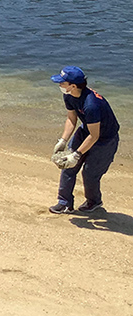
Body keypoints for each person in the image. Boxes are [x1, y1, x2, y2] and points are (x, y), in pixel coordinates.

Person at [48, 66, 120, 214]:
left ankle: (94, 201)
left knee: (89, 173)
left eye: (62, 82)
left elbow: (95, 136)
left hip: (105, 140)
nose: (60, 85)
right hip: (85, 130)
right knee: (67, 166)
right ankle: (64, 203)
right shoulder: (68, 95)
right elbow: (71, 119)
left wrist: (77, 154)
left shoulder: (91, 104)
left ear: (73, 86)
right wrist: (63, 141)